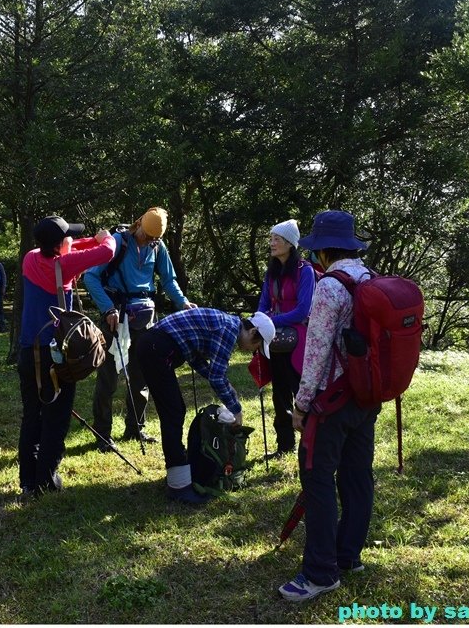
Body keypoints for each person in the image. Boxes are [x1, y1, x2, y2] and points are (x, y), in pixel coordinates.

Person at [278, 210, 375, 602]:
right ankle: (347, 556)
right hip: (365, 396)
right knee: (356, 476)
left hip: (331, 401)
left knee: (317, 481)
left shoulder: (330, 287)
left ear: (321, 253)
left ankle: (320, 572)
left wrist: (301, 405)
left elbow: (316, 352)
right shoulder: (369, 278)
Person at [135, 307, 274, 505]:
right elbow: (217, 377)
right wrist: (236, 409)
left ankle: (179, 471)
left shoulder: (227, 324)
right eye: (257, 345)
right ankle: (178, 486)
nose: (254, 351)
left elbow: (195, 358)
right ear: (252, 332)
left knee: (174, 411)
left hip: (154, 346)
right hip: (156, 349)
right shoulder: (228, 330)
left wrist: (226, 387)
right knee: (173, 413)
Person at [84, 207, 196, 451]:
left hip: (145, 318)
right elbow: (91, 277)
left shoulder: (157, 246)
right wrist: (107, 309)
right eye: (147, 235)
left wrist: (183, 302)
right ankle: (103, 434)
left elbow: (168, 280)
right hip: (116, 316)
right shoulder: (118, 242)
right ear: (138, 225)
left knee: (141, 376)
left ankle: (136, 428)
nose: (149, 240)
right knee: (109, 378)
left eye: (155, 238)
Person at [17, 216, 115, 496]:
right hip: (56, 358)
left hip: (28, 353)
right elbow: (107, 252)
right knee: (56, 418)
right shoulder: (66, 265)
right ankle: (47, 480)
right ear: (59, 244)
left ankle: (27, 482)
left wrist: (87, 241)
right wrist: (106, 236)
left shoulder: (30, 257)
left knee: (32, 416)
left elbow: (72, 247)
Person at [256, 219, 315, 458]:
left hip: (298, 340)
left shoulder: (305, 271)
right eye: (271, 239)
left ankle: (311, 443)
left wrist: (271, 321)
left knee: (300, 390)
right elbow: (263, 304)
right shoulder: (271, 273)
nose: (272, 243)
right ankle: (284, 445)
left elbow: (303, 310)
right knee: (279, 393)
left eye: (276, 239)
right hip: (275, 341)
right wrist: (258, 321)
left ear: (290, 243)